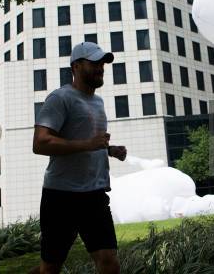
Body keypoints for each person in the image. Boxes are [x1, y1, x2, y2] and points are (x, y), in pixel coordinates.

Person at [32, 42, 127, 274]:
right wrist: (88, 144)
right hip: (61, 196)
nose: (101, 67)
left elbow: (88, 144)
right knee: (51, 267)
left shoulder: (99, 102)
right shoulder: (60, 98)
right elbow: (40, 143)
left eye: (102, 63)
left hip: (94, 195)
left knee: (108, 261)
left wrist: (109, 150)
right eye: (94, 63)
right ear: (75, 66)